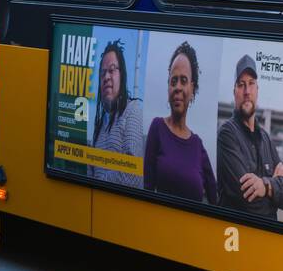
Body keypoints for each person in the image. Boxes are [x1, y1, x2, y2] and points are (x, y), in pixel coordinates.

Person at [143, 41, 217, 203]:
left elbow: (216, 200)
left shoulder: (198, 146)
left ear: (192, 89)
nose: (177, 87)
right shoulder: (157, 128)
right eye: (173, 80)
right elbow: (146, 192)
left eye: (183, 80)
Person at [216, 54, 283, 217]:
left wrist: (265, 186)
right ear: (234, 92)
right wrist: (275, 188)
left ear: (257, 90)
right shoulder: (226, 134)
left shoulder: (266, 140)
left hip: (265, 239)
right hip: (234, 237)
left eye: (251, 84)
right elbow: (248, 204)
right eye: (241, 85)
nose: (247, 91)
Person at [89, 40, 143, 188]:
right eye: (102, 73)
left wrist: (97, 183)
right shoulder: (99, 127)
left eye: (112, 70)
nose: (106, 77)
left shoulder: (132, 109)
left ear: (122, 75)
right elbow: (90, 172)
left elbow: (133, 174)